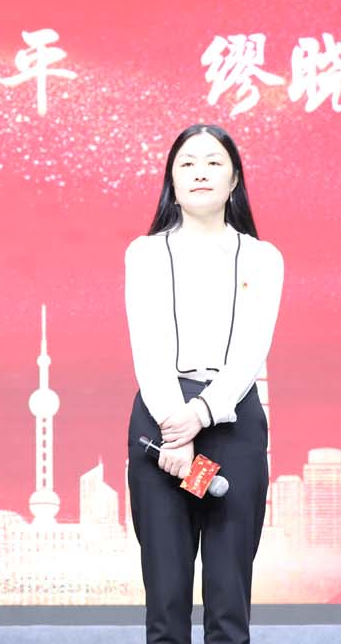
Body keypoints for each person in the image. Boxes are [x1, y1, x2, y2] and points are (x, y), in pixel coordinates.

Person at [124, 124, 283, 644]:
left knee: (228, 601)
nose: (200, 173)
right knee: (166, 601)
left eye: (214, 163)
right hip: (162, 425)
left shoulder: (262, 258)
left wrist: (201, 414)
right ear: (171, 179)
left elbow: (250, 351)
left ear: (234, 179)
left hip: (232, 426)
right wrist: (177, 429)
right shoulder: (145, 253)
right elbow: (149, 346)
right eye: (188, 163)